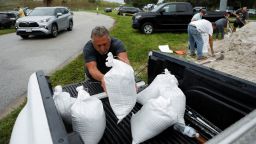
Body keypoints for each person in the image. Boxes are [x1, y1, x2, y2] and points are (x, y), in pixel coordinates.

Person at [83, 26, 130, 91]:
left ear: (109, 39)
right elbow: (92, 69)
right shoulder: (88, 48)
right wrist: (104, 79)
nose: (102, 49)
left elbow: (124, 63)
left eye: (105, 44)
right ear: (92, 43)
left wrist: (129, 77)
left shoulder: (117, 44)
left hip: (114, 78)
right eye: (98, 45)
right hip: (93, 80)